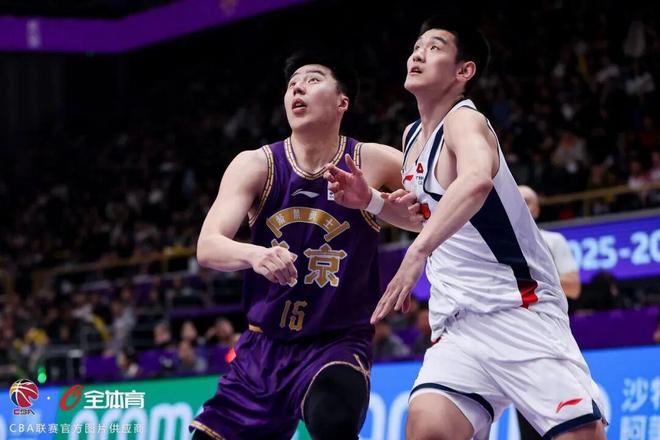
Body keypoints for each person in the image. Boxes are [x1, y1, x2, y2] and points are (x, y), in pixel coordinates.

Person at [326, 15, 607, 440]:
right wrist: (372, 201)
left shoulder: (465, 121)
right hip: (457, 323)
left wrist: (417, 252)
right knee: (428, 430)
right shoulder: (412, 137)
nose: (418, 54)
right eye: (417, 46)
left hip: (517, 308)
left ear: (464, 71)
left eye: (434, 47)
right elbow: (427, 216)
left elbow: (476, 181)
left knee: (579, 436)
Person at [189, 50, 417, 440]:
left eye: (312, 79)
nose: (297, 88)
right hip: (263, 348)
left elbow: (437, 214)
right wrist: (255, 254)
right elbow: (208, 246)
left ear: (342, 101)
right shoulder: (256, 165)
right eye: (292, 83)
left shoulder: (374, 160)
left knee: (333, 421)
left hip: (336, 343)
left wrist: (376, 202)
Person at [517, 185, 583, 439]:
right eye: (516, 198)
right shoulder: (493, 242)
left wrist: (526, 280)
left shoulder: (553, 241)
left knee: (562, 414)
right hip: (511, 336)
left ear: (536, 209)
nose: (521, 204)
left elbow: (573, 287)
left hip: (550, 336)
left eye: (527, 201)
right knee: (527, 423)